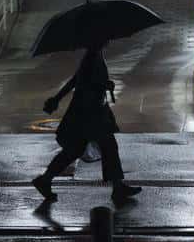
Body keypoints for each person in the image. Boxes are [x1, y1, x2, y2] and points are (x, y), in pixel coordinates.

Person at [32, 39, 142, 204]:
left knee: (76, 149)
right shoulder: (92, 56)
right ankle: (118, 187)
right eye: (106, 37)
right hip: (89, 112)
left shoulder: (94, 54)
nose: (109, 40)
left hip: (89, 111)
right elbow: (84, 81)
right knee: (107, 146)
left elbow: (76, 80)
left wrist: (58, 98)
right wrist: (105, 84)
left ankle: (46, 179)